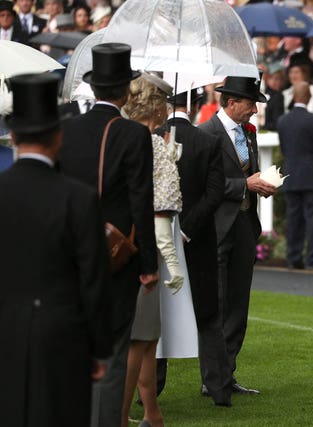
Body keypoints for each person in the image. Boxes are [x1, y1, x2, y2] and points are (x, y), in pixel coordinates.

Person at [0, 73, 112, 427]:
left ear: (14, 136)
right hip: (65, 337)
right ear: (59, 136)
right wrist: (99, 349)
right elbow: (94, 281)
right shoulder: (79, 199)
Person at [58, 43, 159, 427]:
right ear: (125, 90)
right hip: (115, 261)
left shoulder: (68, 129)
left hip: (71, 256)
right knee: (113, 356)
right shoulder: (133, 134)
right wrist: (148, 266)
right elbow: (141, 203)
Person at [199, 76, 276, 396]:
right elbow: (204, 186)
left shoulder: (248, 132)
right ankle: (212, 379)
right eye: (250, 103)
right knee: (215, 305)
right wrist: (246, 185)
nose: (255, 110)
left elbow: (249, 174)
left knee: (238, 306)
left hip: (244, 225)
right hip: (216, 229)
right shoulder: (206, 135)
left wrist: (263, 185)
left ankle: (226, 374)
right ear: (231, 102)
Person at [155, 88, 232, 407]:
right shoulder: (208, 141)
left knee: (155, 314)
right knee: (208, 313)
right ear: (197, 105)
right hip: (197, 239)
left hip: (159, 237)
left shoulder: (151, 137)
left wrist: (171, 230)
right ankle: (219, 388)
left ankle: (151, 388)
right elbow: (214, 195)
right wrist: (185, 231)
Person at [120, 74, 183, 427]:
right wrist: (171, 264)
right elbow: (162, 211)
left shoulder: (129, 139)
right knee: (141, 337)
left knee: (147, 335)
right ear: (156, 105)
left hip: (126, 243)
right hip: (146, 248)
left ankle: (151, 412)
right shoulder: (151, 145)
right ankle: (120, 413)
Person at [277, 81, 313, 271]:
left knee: (293, 218)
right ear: (309, 97)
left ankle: (293, 258)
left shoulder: (282, 121)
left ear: (293, 97)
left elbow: (284, 148)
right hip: (312, 175)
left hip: (291, 175)